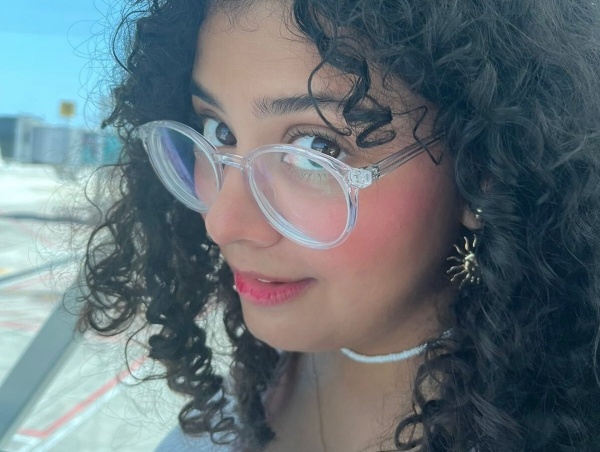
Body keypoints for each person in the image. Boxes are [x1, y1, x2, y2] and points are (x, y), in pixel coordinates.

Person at [79, 0, 600, 450]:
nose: (222, 223)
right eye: (218, 130)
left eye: (317, 149)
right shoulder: (262, 369)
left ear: (483, 172)